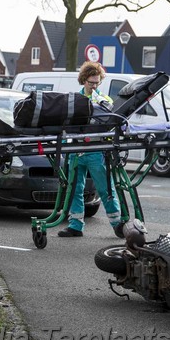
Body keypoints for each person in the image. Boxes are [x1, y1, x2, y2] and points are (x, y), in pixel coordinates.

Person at [58, 61, 122, 237]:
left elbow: (110, 116)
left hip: (96, 150)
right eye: (91, 82)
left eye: (97, 82)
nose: (94, 86)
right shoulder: (74, 100)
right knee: (74, 188)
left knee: (105, 188)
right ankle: (75, 225)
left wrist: (98, 100)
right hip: (76, 149)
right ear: (83, 80)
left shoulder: (105, 100)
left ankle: (117, 224)